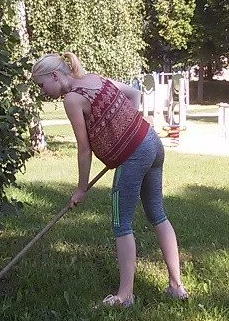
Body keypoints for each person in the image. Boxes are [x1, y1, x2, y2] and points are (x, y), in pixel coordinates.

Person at [31, 52, 188, 307]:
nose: (42, 91)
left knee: (120, 223)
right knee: (157, 214)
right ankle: (176, 287)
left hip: (134, 156)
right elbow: (134, 94)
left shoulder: (72, 99)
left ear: (55, 76)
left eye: (41, 84)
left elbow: (84, 149)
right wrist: (128, 127)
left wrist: (81, 188)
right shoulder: (94, 78)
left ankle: (125, 296)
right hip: (152, 142)